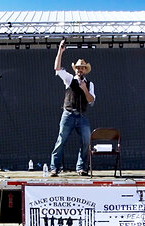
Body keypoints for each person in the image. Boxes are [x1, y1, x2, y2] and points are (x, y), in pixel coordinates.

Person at [50, 39, 96, 177]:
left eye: (82, 68)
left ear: (85, 70)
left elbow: (91, 100)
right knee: (61, 140)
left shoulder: (89, 84)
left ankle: (81, 167)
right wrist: (60, 51)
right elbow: (57, 68)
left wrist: (84, 89)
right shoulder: (70, 79)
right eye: (78, 68)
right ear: (75, 69)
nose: (80, 70)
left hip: (81, 115)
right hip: (68, 114)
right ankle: (54, 168)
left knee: (86, 140)